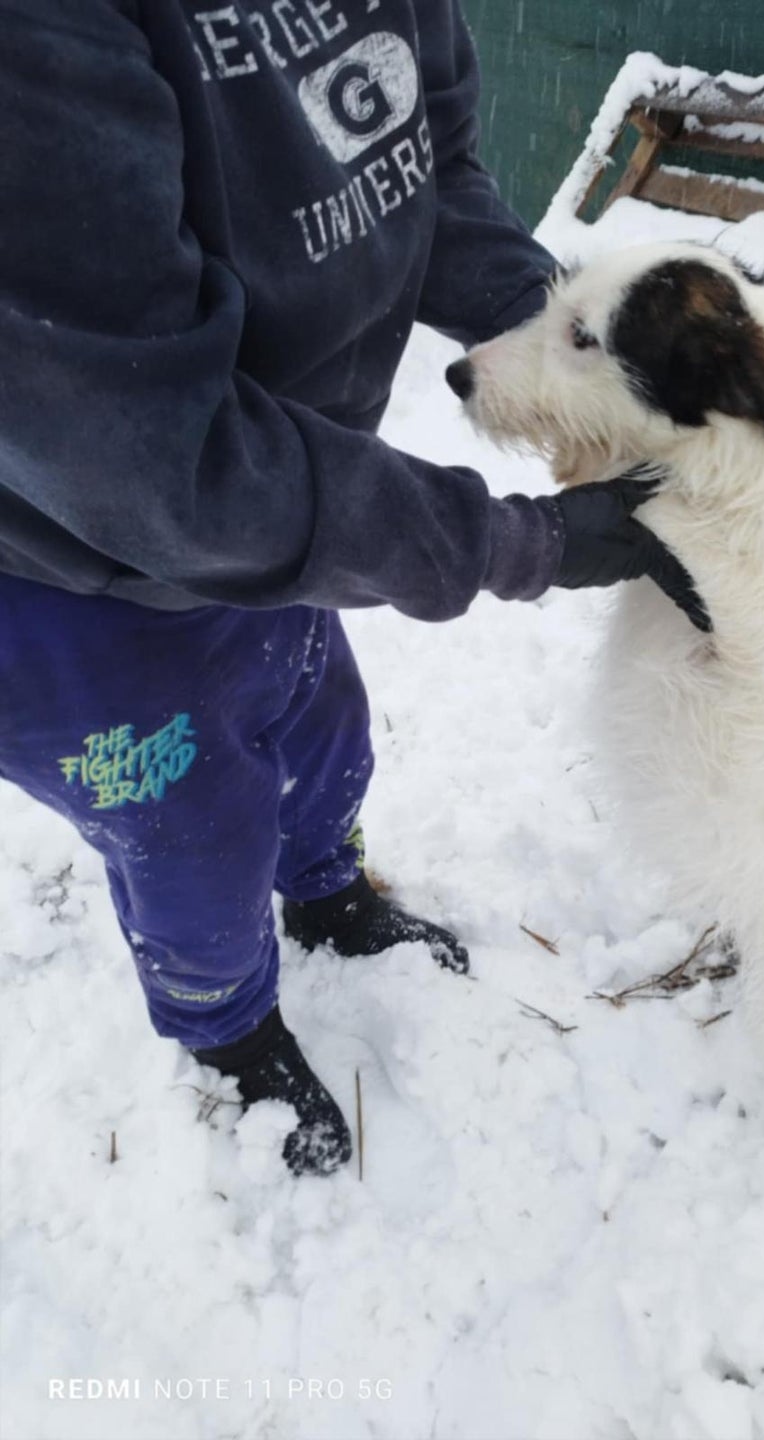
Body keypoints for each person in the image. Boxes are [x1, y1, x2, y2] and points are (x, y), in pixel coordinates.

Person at [0, 0, 707, 1177]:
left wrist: (577, 352)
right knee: (194, 828)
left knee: (315, 721)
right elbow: (152, 457)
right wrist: (524, 544)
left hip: (274, 501)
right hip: (72, 576)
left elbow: (421, 179)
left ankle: (322, 889)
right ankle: (224, 1026)